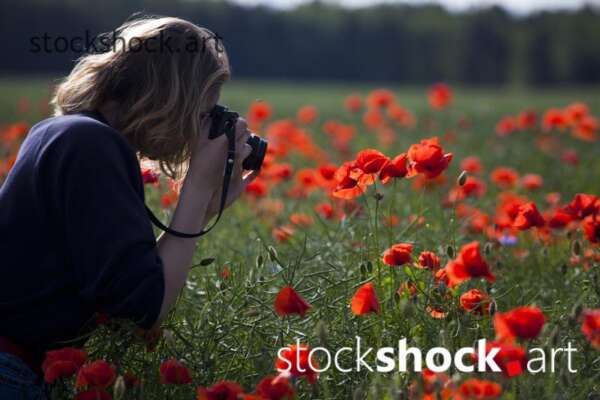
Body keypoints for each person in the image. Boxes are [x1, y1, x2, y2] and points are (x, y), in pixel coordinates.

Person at [0, 15, 257, 398]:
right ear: (172, 98)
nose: (198, 130)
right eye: (203, 113)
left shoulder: (66, 132)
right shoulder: (91, 145)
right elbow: (145, 307)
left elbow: (125, 288)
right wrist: (197, 186)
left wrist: (201, 210)